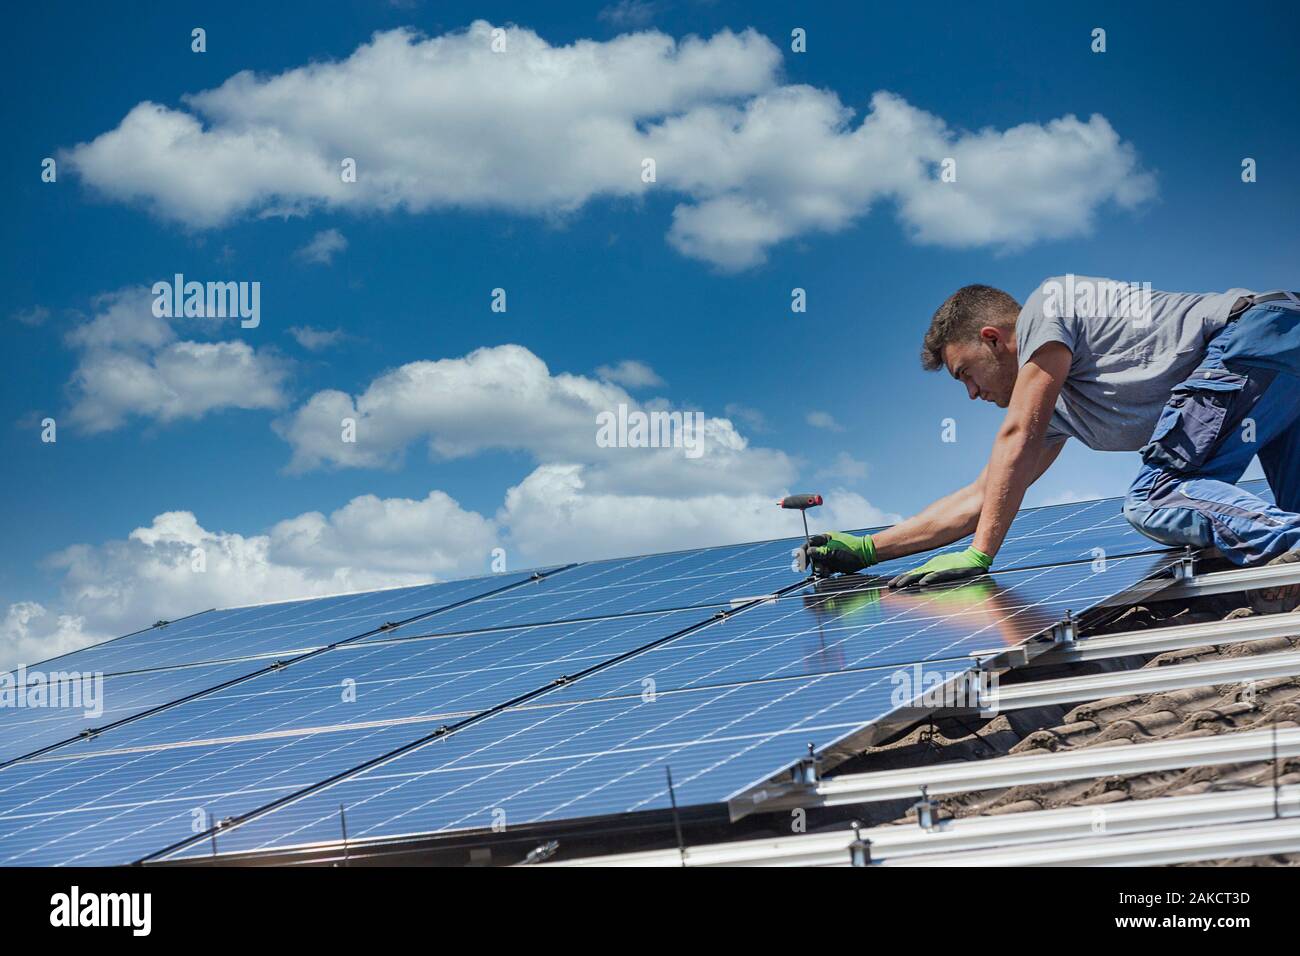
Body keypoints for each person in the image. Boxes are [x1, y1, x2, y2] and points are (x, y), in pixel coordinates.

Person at [803, 276, 1300, 612]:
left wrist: (979, 556)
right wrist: (870, 549)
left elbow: (1017, 434)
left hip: (1256, 336)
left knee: (1157, 498)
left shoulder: (1047, 308)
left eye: (965, 375)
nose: (972, 394)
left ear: (994, 338)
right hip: (1280, 364)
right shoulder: (1064, 408)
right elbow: (985, 495)